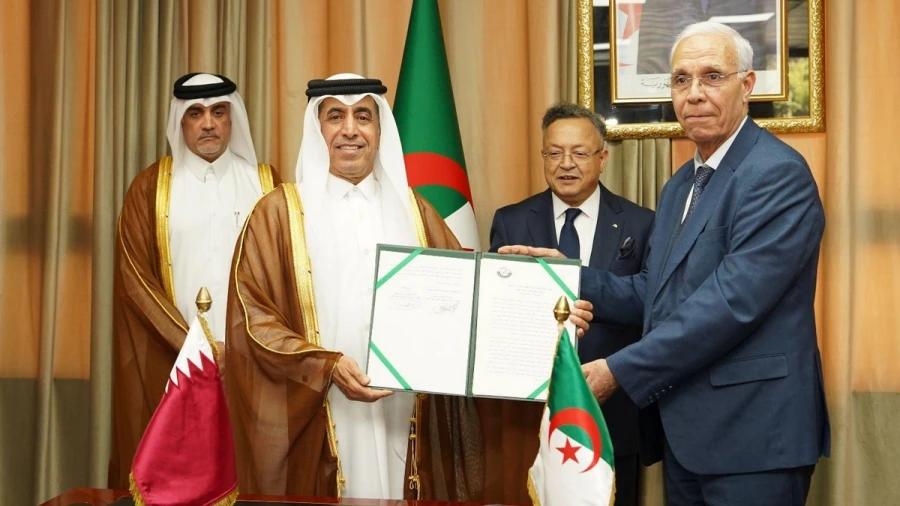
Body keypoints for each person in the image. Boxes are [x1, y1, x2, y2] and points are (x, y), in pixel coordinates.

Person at [501, 22, 830, 506]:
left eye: (712, 76)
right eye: (680, 80)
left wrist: (617, 370)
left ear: (747, 85)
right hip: (687, 435)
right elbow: (652, 293)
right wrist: (564, 275)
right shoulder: (681, 185)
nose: (694, 93)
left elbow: (730, 304)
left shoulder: (777, 174)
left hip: (755, 437)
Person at [222, 73, 593, 501]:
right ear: (316, 128)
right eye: (335, 116)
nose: (350, 129)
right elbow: (253, 318)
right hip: (317, 406)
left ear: (380, 130)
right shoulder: (278, 213)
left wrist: (547, 317)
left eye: (364, 116)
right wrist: (326, 366)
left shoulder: (416, 212)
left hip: (404, 411)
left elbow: (472, 308)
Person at [109, 73, 281, 488]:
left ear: (232, 119)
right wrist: (195, 346)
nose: (208, 124)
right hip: (174, 358)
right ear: (180, 121)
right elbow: (135, 281)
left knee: (246, 473)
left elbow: (283, 278)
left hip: (250, 363)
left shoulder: (265, 184)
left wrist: (243, 348)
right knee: (178, 478)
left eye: (218, 112)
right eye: (196, 113)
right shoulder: (150, 189)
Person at [488, 102, 654, 506]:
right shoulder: (511, 220)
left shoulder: (641, 223)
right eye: (554, 153)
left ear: (602, 159)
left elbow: (649, 305)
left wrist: (572, 278)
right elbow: (497, 309)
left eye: (579, 153)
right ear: (543, 156)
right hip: (533, 413)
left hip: (611, 412)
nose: (566, 164)